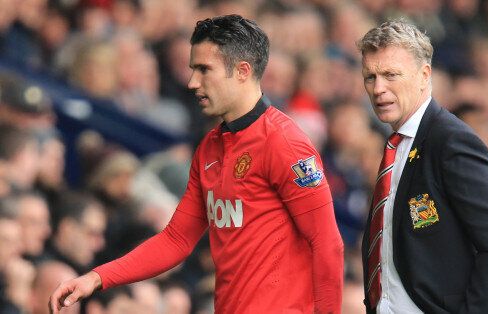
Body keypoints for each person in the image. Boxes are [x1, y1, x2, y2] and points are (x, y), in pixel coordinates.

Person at [50, 14, 344, 313]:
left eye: (204, 70)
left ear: (242, 71)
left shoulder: (285, 142)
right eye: (193, 69)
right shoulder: (209, 148)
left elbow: (327, 243)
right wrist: (97, 277)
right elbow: (176, 239)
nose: (193, 82)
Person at [357, 20, 488, 313]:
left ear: (424, 75)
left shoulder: (452, 141)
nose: (378, 88)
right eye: (370, 77)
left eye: (391, 75)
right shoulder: (396, 143)